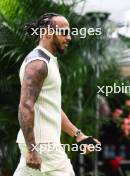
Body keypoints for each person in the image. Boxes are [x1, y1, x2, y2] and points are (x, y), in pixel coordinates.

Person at [13, 13, 100, 176]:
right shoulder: (38, 64)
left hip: (38, 143)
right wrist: (33, 149)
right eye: (64, 32)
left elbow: (51, 107)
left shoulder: (48, 60)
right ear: (47, 32)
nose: (69, 37)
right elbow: (25, 106)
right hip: (43, 145)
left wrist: (78, 135)